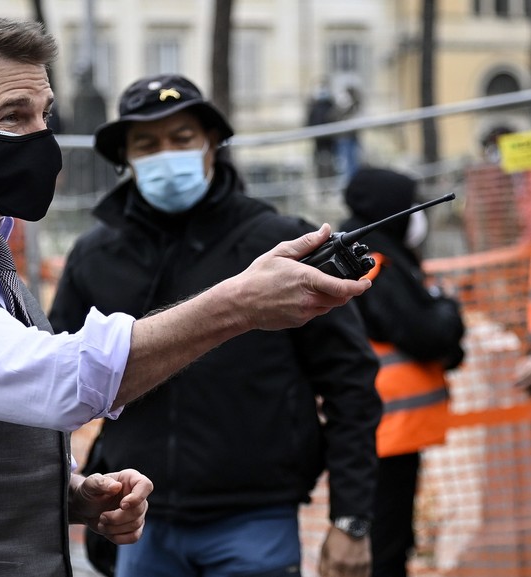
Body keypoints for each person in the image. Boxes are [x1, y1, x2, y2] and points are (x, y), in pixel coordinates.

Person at [0, 10, 373, 577]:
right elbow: (56, 381)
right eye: (13, 117)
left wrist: (69, 494)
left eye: (44, 115)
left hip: (252, 514)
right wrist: (238, 305)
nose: (39, 138)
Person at [48, 73, 383, 577]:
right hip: (138, 518)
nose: (166, 155)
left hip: (256, 517)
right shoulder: (95, 255)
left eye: (182, 138)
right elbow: (52, 376)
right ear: (126, 158)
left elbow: (350, 383)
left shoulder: (279, 245)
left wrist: (351, 518)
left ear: (213, 144)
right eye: (147, 143)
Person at [339, 167, 466, 577]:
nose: (416, 214)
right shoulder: (374, 263)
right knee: (385, 543)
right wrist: (446, 306)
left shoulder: (362, 252)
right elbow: (426, 332)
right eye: (409, 204)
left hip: (387, 425)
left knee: (392, 534)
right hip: (384, 426)